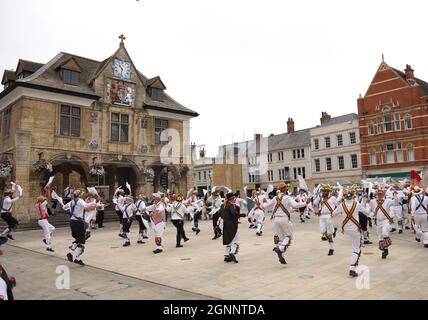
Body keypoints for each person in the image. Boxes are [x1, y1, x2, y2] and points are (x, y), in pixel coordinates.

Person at [262, 183, 308, 265]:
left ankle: (281, 255)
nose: (287, 189)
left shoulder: (275, 198)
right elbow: (295, 205)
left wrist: (264, 202)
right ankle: (280, 249)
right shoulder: (287, 198)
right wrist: (305, 203)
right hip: (284, 219)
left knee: (280, 238)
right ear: (284, 189)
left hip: (276, 220)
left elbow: (266, 207)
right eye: (286, 188)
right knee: (288, 236)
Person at [332, 188, 370, 277]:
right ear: (354, 196)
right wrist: (367, 204)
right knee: (356, 248)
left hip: (346, 228)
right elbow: (367, 213)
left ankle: (354, 264)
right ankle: (352, 268)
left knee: (355, 246)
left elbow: (333, 214)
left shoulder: (341, 205)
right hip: (355, 229)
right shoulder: (357, 204)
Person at [62, 190, 98, 266]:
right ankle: (72, 254)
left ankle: (75, 256)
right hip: (78, 222)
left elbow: (64, 207)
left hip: (72, 222)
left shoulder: (71, 202)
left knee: (78, 239)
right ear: (80, 195)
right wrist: (95, 203)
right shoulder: (80, 201)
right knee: (81, 240)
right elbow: (86, 206)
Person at [369, 188, 396, 259]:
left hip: (385, 220)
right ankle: (385, 251)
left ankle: (388, 242)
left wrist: (396, 195)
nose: (379, 195)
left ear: (383, 194)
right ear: (376, 194)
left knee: (385, 233)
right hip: (378, 221)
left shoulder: (388, 201)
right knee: (380, 237)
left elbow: (396, 203)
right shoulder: (373, 201)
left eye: (381, 194)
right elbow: (370, 209)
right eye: (378, 194)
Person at [220, 192, 246, 263]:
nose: (235, 199)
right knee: (237, 240)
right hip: (232, 225)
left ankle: (226, 255)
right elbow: (234, 213)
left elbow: (221, 215)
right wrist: (242, 215)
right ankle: (232, 252)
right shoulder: (230, 205)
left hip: (226, 224)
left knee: (229, 240)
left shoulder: (223, 205)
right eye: (234, 198)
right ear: (231, 199)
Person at [313, 185, 339, 256]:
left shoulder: (333, 198)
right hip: (321, 216)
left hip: (329, 216)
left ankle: (331, 249)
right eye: (323, 191)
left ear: (328, 191)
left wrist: (334, 213)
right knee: (322, 231)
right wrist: (316, 211)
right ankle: (334, 230)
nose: (324, 192)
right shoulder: (320, 197)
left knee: (329, 233)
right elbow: (315, 204)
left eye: (325, 191)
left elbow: (338, 206)